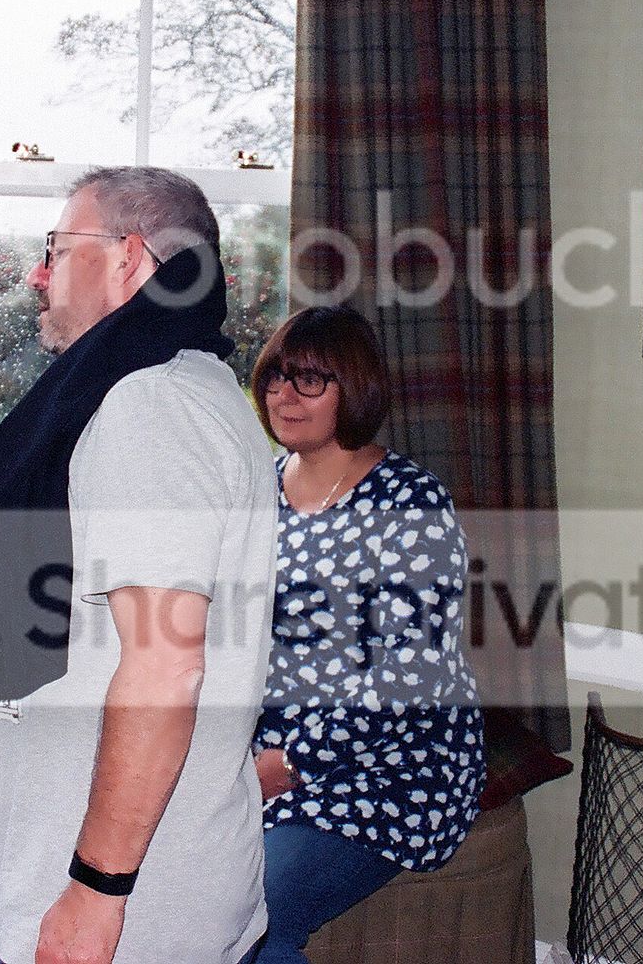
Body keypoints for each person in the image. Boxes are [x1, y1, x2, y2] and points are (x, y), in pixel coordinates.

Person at [0, 166, 277, 964]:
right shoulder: (163, 388)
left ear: (128, 257)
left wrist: (97, 890)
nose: (36, 275)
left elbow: (165, 666)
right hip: (126, 878)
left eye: (55, 248)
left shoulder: (147, 406)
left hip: (140, 903)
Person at [246, 306, 487, 964]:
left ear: (353, 389)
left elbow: (409, 676)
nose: (284, 396)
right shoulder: (255, 490)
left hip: (392, 767)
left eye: (310, 381)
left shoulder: (409, 503)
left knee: (253, 911)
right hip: (265, 755)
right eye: (275, 378)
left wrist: (287, 765)